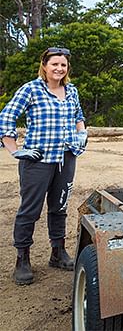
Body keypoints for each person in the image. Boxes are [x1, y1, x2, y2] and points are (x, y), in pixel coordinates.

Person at [0, 47, 87, 285]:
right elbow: (7, 116)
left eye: (63, 65)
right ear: (45, 66)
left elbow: (79, 116)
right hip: (38, 161)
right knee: (30, 209)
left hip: (66, 158)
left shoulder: (71, 91)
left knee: (59, 207)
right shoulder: (31, 89)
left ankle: (57, 253)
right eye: (54, 64)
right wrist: (15, 150)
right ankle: (22, 259)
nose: (59, 68)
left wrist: (82, 134)